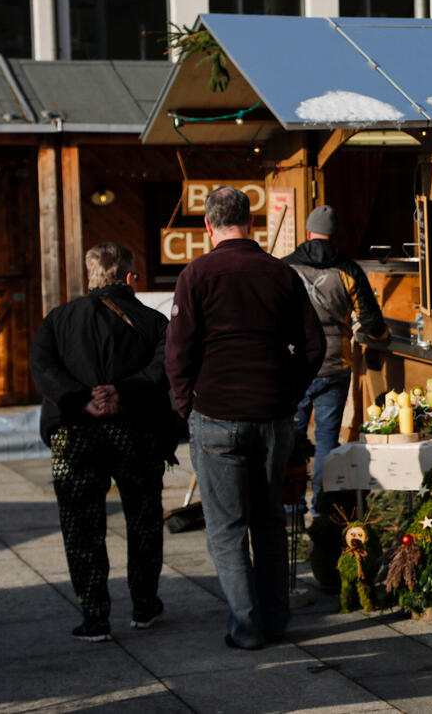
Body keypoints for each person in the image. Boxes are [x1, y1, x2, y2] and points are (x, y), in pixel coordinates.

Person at [165, 186, 325, 650]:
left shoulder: (196, 274)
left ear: (208, 226)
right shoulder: (280, 274)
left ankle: (247, 626)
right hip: (272, 414)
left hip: (215, 412)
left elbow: (178, 352)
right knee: (268, 521)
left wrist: (184, 405)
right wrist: (288, 392)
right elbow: (313, 346)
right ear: (251, 224)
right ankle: (275, 620)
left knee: (227, 528)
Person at [30, 242, 176, 642]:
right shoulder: (153, 321)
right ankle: (145, 606)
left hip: (75, 433)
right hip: (136, 432)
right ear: (130, 277)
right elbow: (163, 368)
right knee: (144, 520)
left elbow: (43, 367)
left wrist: (82, 400)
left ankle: (94, 616)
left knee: (80, 526)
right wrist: (120, 393)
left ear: (89, 277)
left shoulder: (57, 320)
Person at [283, 205, 388, 516]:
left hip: (294, 365)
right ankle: (323, 508)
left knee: (292, 435)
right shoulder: (349, 269)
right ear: (335, 235)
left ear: (307, 233)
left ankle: (291, 505)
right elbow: (372, 323)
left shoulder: (285, 268)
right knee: (328, 438)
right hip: (334, 364)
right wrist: (382, 338)